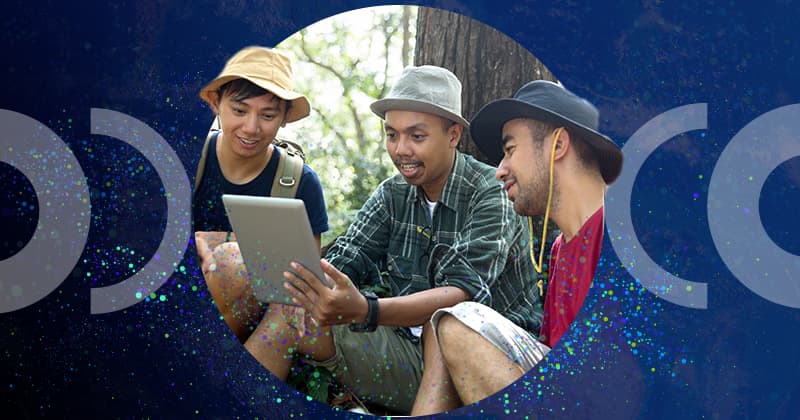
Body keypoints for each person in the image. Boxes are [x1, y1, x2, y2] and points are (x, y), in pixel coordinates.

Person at [242, 65, 541, 414]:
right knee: (289, 311)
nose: (401, 150)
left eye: (416, 136)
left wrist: (367, 310)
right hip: (403, 355)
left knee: (442, 326)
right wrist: (308, 281)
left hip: (481, 366)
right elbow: (348, 257)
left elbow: (461, 293)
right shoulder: (392, 195)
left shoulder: (490, 191)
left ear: (453, 135)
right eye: (392, 134)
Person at [410, 80, 624, 415]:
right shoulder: (560, 249)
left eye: (509, 150)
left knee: (459, 321)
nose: (500, 171)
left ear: (558, 145)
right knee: (441, 326)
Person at [193, 46, 329, 342]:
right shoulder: (186, 158)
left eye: (267, 115)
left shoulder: (300, 182)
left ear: (284, 118)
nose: (251, 128)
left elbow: (304, 279)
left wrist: (224, 245)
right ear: (216, 103)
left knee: (231, 261)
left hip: (252, 314)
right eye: (239, 111)